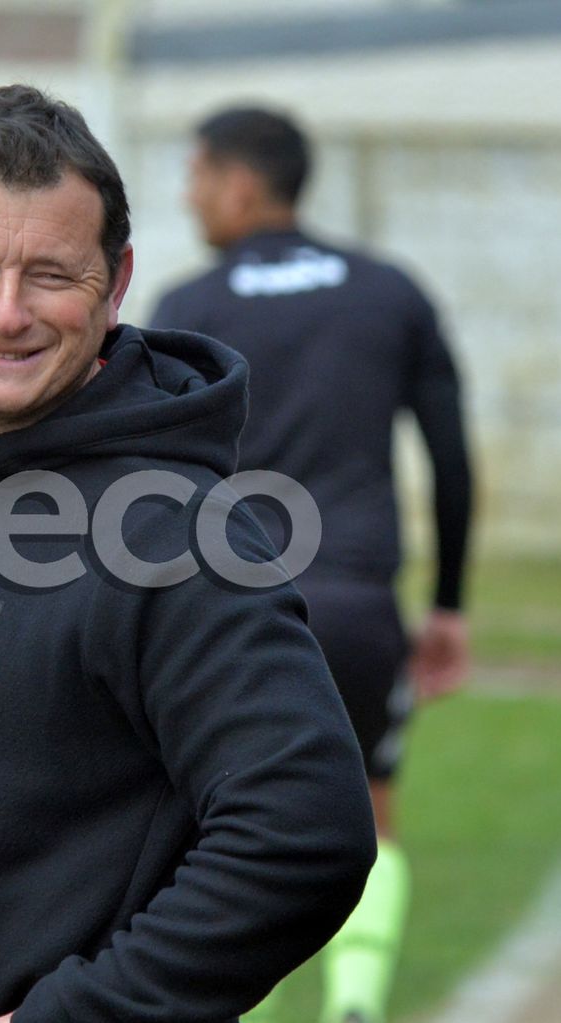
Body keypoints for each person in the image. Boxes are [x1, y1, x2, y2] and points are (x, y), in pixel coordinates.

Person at [0, 85, 377, 1023]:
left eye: (52, 275)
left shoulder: (172, 533)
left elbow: (305, 831)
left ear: (116, 282)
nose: (8, 311)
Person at [151, 107, 474, 1023]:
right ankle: (356, 1004)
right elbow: (450, 456)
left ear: (242, 184)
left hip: (227, 615)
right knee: (370, 809)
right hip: (359, 604)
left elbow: (149, 481)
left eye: (198, 173)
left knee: (216, 833)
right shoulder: (390, 292)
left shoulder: (188, 309)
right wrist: (447, 604)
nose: (189, 193)